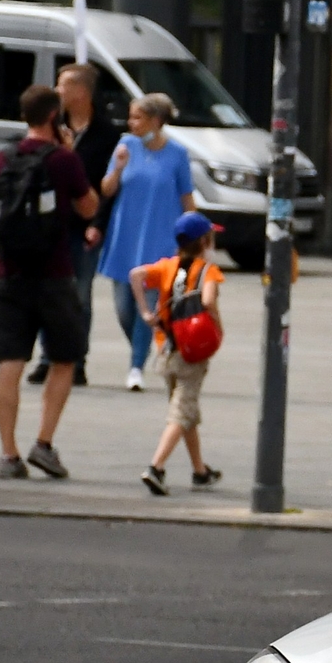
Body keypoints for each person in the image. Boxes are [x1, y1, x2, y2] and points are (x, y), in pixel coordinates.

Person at [0, 84, 99, 480]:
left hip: (7, 275)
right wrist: (69, 151)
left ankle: (7, 454)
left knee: (10, 362)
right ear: (54, 117)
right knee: (65, 357)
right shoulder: (63, 160)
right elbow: (89, 207)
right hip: (53, 274)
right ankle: (43, 443)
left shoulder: (1, 159)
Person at [29, 62, 123, 388]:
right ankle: (46, 358)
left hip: (83, 227)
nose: (57, 91)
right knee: (47, 294)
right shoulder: (51, 128)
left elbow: (108, 187)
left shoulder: (107, 134)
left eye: (63, 85)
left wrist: (97, 223)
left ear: (81, 92)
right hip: (50, 225)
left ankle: (76, 360)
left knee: (79, 296)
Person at [97, 92, 196, 390]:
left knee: (149, 307)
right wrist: (117, 168)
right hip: (125, 237)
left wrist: (194, 238)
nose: (131, 123)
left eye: (137, 117)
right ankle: (147, 346)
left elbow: (186, 197)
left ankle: (135, 367)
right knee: (124, 308)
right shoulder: (125, 146)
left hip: (160, 240)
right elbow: (106, 190)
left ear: (156, 120)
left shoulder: (177, 154)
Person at [132, 212, 228, 495]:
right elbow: (208, 300)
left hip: (167, 348)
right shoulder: (207, 271)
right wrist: (218, 328)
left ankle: (200, 471)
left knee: (186, 410)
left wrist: (146, 313)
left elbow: (136, 275)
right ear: (204, 242)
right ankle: (156, 468)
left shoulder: (168, 267)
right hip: (192, 351)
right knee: (180, 414)